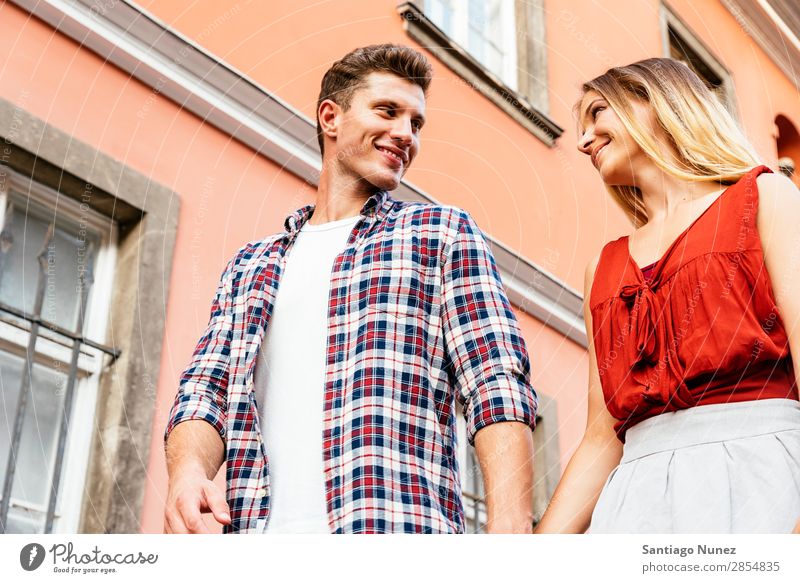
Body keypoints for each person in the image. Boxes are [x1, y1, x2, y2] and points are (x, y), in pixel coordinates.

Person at [163, 44, 538, 534]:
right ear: (330, 117)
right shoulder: (249, 267)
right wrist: (188, 472)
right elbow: (204, 391)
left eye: (416, 123)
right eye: (388, 111)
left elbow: (498, 385)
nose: (405, 133)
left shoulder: (441, 234)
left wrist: (511, 535)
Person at [536, 58, 800, 534]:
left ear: (655, 102)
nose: (583, 140)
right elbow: (602, 437)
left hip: (762, 473)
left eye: (597, 113)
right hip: (635, 500)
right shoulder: (604, 266)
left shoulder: (767, 196)